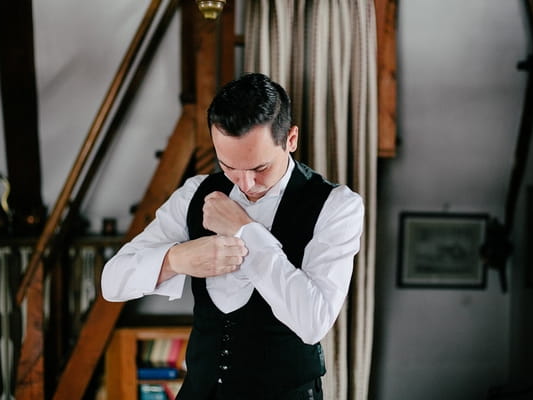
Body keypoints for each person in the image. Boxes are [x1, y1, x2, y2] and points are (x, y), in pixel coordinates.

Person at [101, 72, 364, 400]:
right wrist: (177, 258)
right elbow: (112, 283)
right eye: (228, 166)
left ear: (291, 139)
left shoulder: (338, 206)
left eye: (260, 168)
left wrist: (245, 231)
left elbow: (312, 323)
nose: (245, 183)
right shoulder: (195, 193)